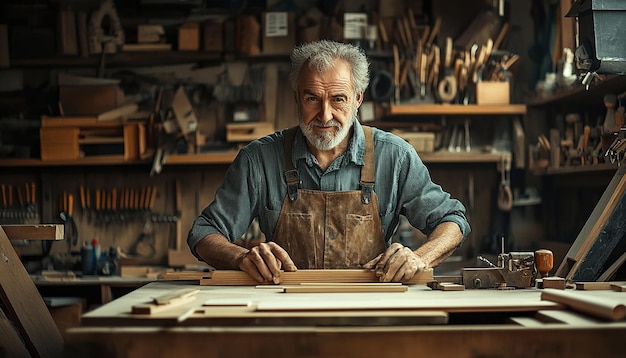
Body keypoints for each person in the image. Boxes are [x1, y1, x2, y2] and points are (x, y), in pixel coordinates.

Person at [188, 40, 471, 283]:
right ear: (297, 97)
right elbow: (203, 233)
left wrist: (418, 258)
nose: (324, 116)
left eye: (338, 99)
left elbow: (452, 221)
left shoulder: (394, 156)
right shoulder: (258, 160)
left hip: (371, 310)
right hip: (285, 309)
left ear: (358, 98)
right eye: (313, 98)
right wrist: (241, 257)